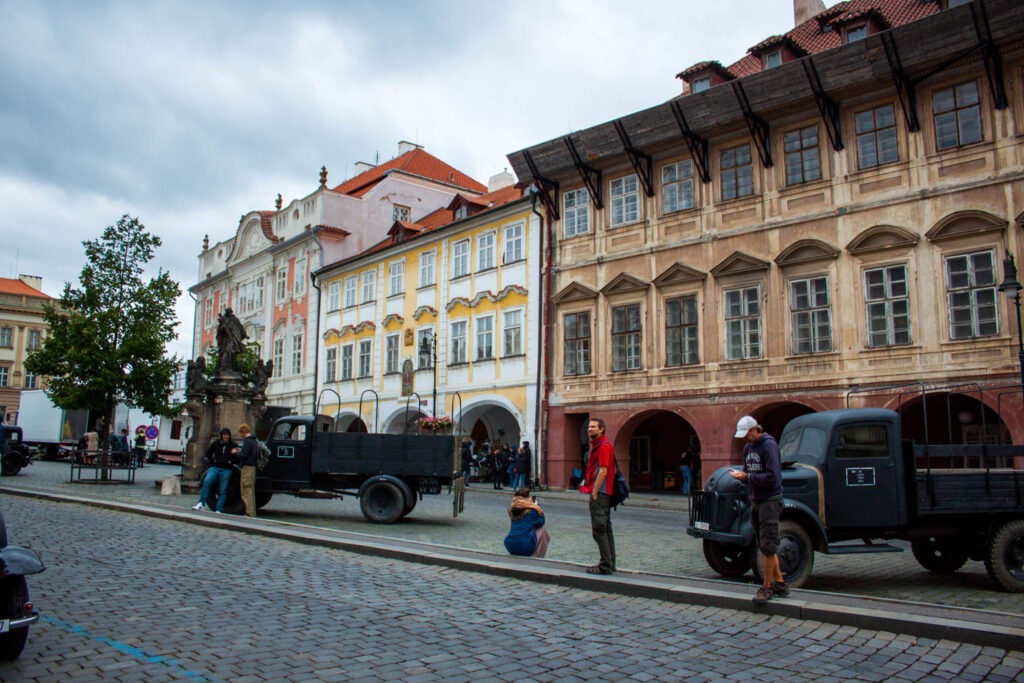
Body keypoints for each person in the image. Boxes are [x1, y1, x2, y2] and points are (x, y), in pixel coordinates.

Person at [729, 415, 787, 604]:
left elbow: (772, 476)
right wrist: (743, 477)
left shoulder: (769, 446)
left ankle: (767, 587)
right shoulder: (748, 448)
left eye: (747, 434)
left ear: (755, 430)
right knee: (763, 544)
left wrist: (746, 477)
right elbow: (749, 472)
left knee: (768, 545)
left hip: (770, 500)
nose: (745, 439)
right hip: (756, 499)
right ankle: (779, 582)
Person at [581, 417, 616, 575]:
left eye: (593, 426)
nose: (590, 429)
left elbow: (603, 470)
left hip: (600, 493)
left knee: (599, 529)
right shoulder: (600, 445)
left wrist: (594, 491)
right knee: (605, 528)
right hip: (602, 492)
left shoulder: (603, 446)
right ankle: (610, 562)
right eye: (589, 426)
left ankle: (605, 565)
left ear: (602, 429)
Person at [193, 428, 238, 513]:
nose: (226, 437)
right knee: (206, 482)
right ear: (221, 435)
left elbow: (238, 456)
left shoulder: (233, 445)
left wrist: (230, 462)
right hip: (215, 468)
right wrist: (212, 460)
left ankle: (219, 509)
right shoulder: (216, 443)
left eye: (227, 435)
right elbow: (208, 453)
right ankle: (201, 504)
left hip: (226, 469)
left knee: (223, 489)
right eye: (224, 435)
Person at [504, 487, 550, 558]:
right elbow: (541, 521)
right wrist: (537, 507)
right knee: (542, 531)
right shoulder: (532, 512)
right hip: (524, 546)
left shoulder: (512, 510)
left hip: (510, 544)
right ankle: (537, 557)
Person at [236, 423, 258, 518]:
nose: (240, 435)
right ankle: (251, 512)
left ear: (242, 432)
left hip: (247, 468)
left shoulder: (247, 441)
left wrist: (236, 452)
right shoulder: (254, 441)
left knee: (246, 491)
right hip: (252, 468)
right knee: (250, 491)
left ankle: (249, 513)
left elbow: (243, 456)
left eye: (240, 433)